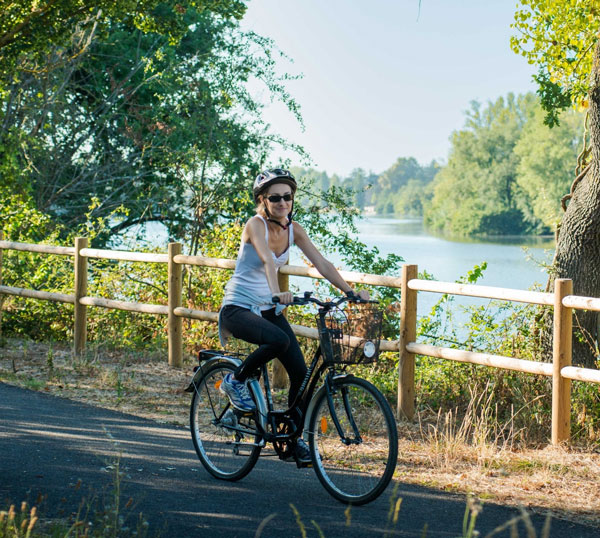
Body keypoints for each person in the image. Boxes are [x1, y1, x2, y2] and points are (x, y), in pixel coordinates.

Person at [218, 168, 369, 463]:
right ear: (262, 200)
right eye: (275, 198)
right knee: (278, 341)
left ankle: (291, 439)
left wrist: (350, 292)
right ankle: (234, 381)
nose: (282, 202)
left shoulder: (293, 230)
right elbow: (265, 260)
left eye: (287, 197)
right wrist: (277, 293)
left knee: (301, 374)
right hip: (238, 307)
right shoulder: (255, 225)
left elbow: (322, 264)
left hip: (266, 308)